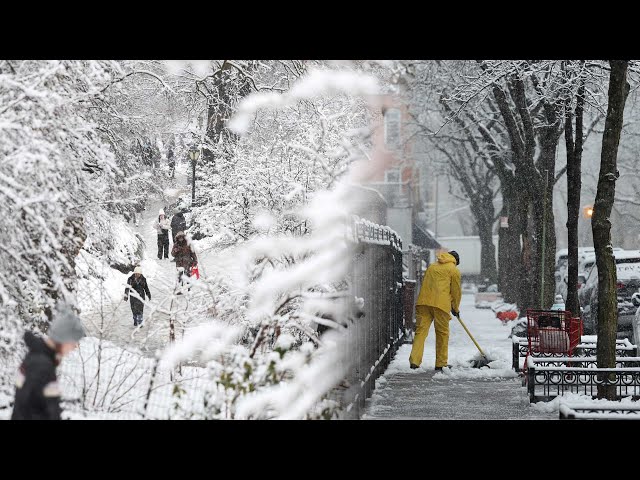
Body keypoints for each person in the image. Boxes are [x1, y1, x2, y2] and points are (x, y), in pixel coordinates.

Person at [11, 302, 85, 420]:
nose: (74, 347)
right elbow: (28, 410)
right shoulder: (41, 365)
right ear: (63, 339)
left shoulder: (38, 357)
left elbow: (41, 404)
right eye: (73, 342)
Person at [409, 250, 462, 371]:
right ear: (455, 261)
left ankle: (414, 361)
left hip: (424, 302)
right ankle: (441, 363)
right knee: (442, 334)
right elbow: (456, 292)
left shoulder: (432, 266)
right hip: (441, 305)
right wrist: (455, 308)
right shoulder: (454, 270)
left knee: (420, 332)